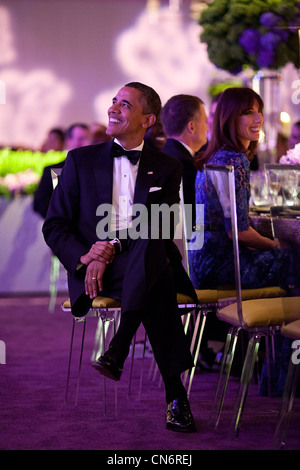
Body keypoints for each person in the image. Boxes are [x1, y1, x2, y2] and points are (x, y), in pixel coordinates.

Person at [42, 82, 197, 433]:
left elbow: (163, 224)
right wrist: (88, 254)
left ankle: (119, 346)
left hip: (142, 257)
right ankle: (175, 395)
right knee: (154, 265)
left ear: (148, 119)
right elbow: (54, 226)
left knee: (151, 238)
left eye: (124, 104)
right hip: (96, 270)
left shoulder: (167, 166)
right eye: (113, 102)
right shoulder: (81, 160)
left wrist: (111, 245)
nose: (113, 108)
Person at [189, 87, 295, 292]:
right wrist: (276, 244)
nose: (258, 119)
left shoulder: (214, 156)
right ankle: (282, 322)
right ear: (229, 118)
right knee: (295, 259)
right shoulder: (234, 160)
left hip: (200, 261)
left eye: (259, 111)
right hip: (223, 264)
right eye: (248, 113)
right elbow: (239, 233)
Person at [161, 94, 208, 229]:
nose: (207, 128)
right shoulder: (184, 165)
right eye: (204, 122)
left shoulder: (162, 155)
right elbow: (192, 219)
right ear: (191, 127)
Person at [33, 123, 90, 219]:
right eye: (80, 139)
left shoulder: (95, 169)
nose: (86, 144)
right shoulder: (54, 170)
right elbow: (40, 204)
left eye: (88, 139)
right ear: (68, 141)